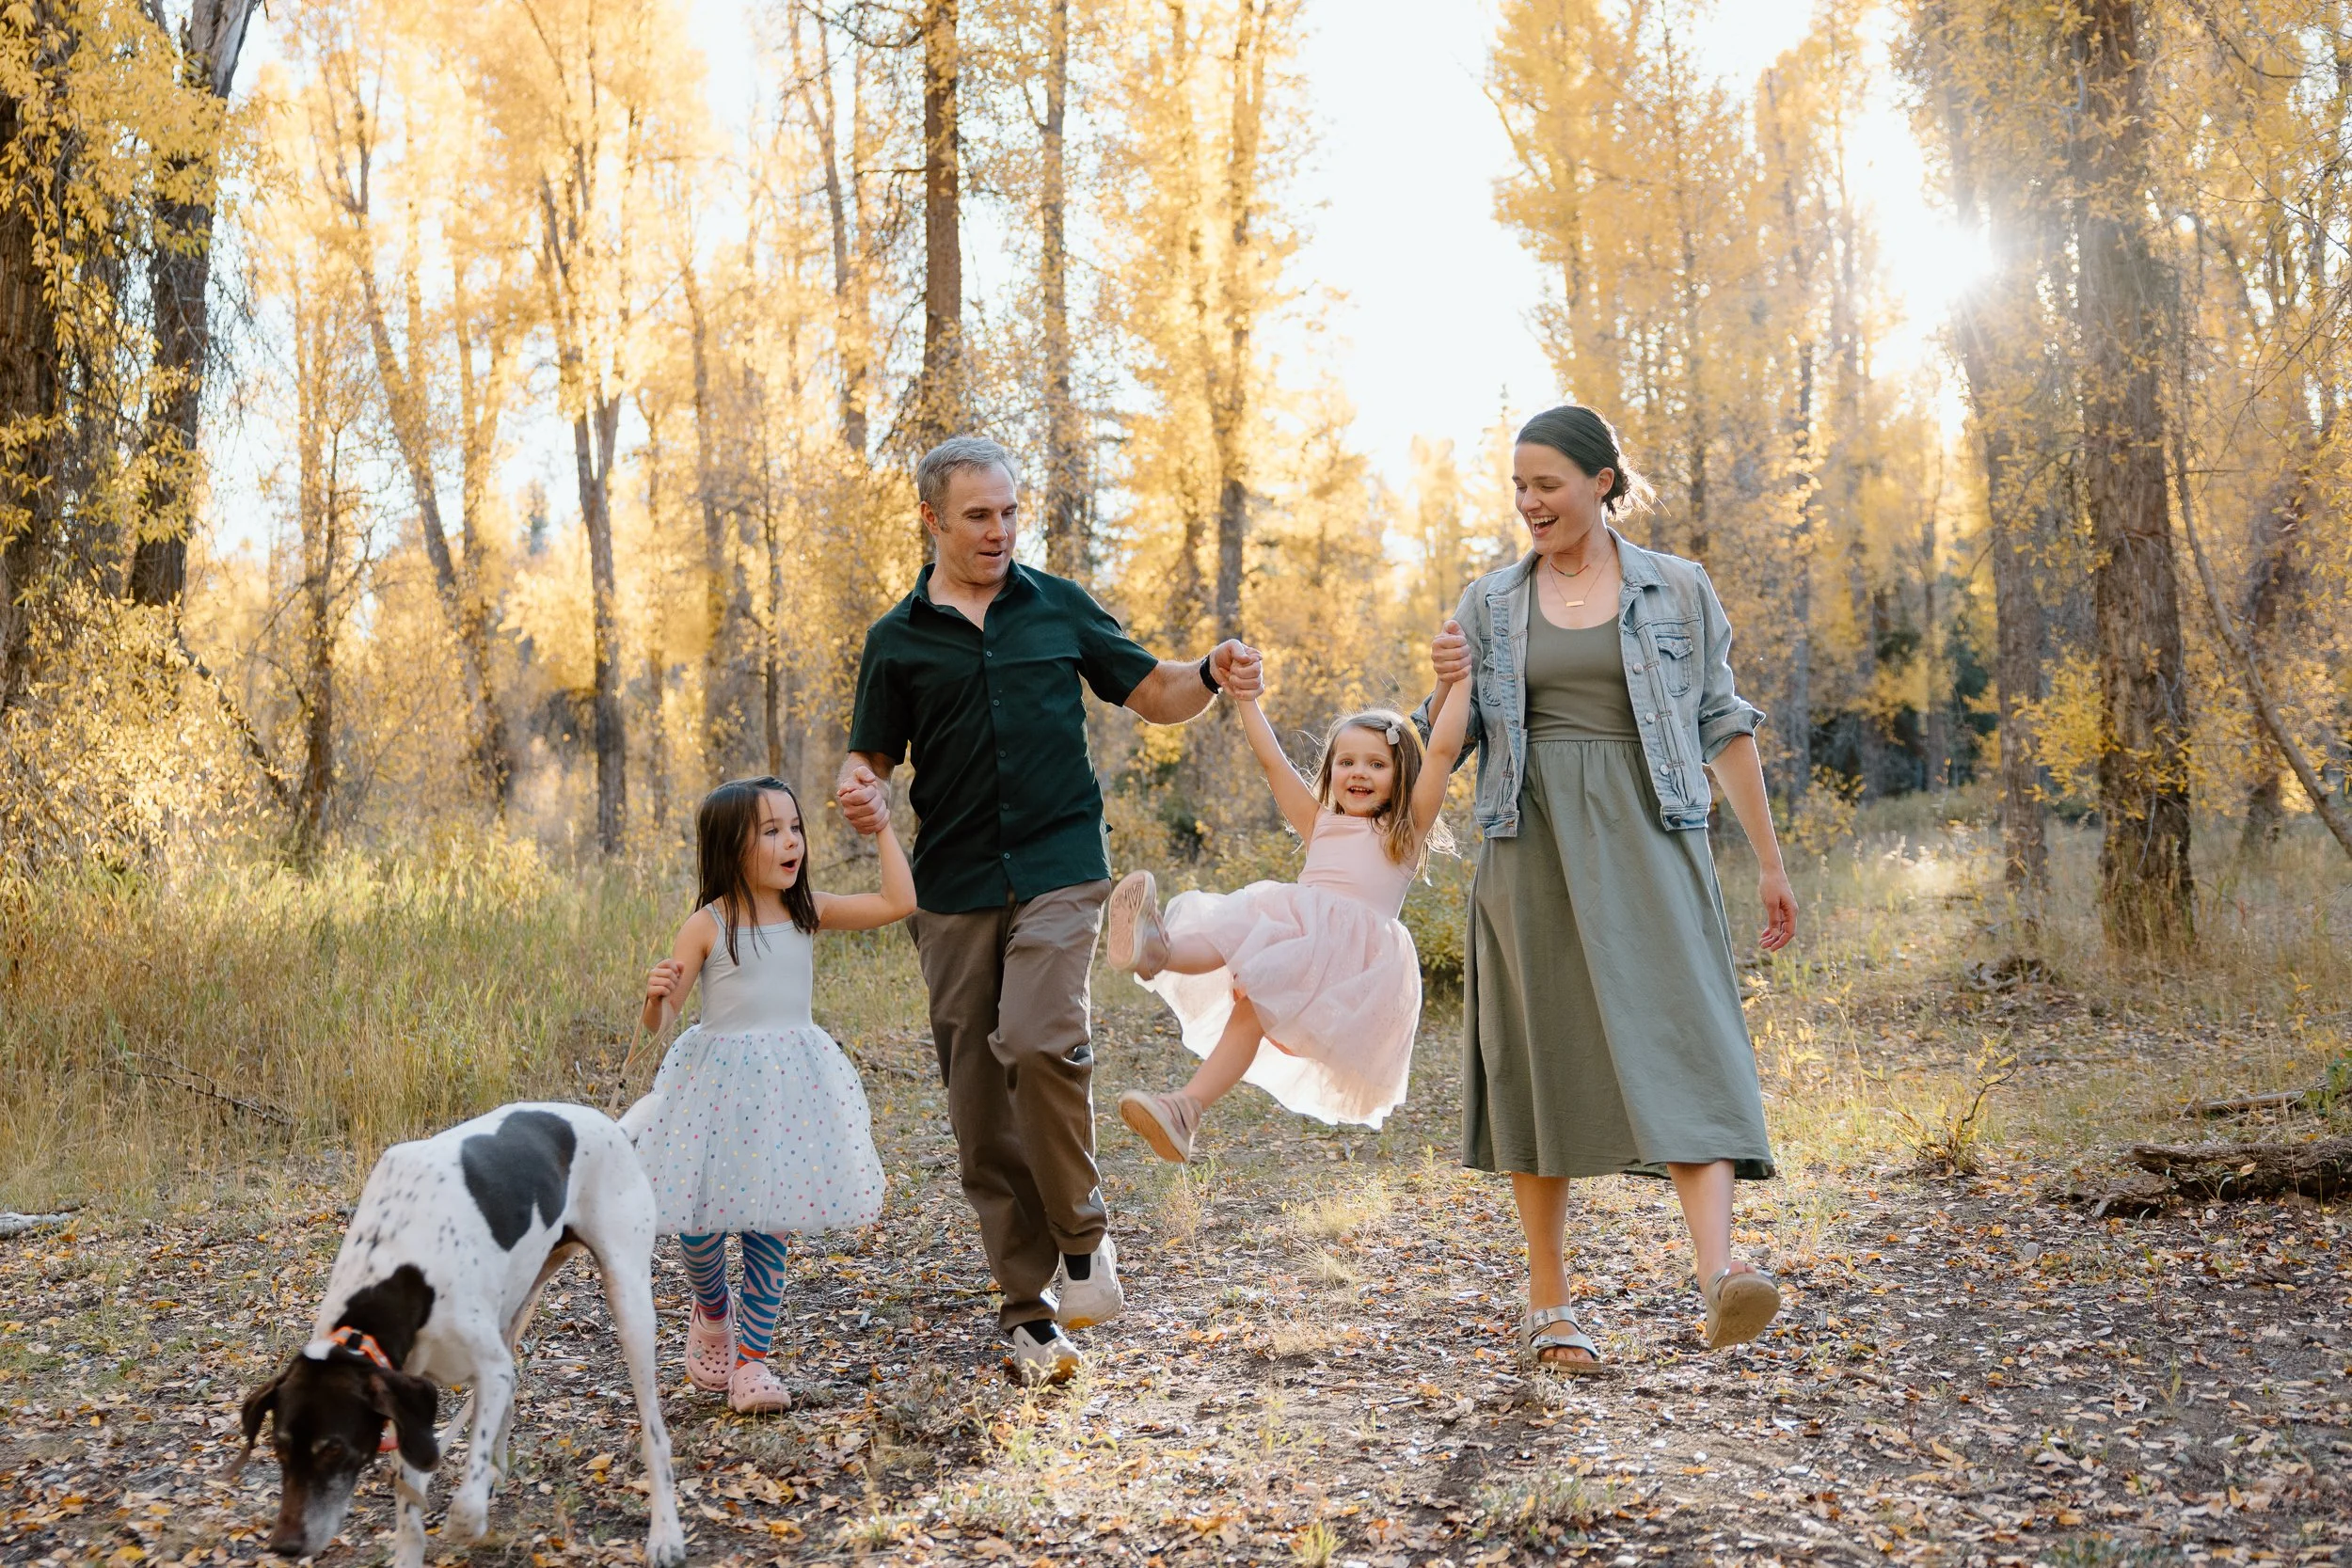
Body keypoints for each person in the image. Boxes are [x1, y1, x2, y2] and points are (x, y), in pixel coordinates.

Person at [835, 435, 1262, 1384]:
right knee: (980, 1109)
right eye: (978, 514)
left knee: (1035, 1036)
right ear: (932, 519)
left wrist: (1211, 667)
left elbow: (1152, 690)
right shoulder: (895, 638)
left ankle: (1083, 1239)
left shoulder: (1055, 604)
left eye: (1009, 511)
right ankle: (1028, 1310)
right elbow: (869, 757)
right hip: (950, 885)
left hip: (1061, 866)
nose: (999, 530)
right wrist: (856, 787)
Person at [1422, 404, 1797, 1374]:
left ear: (1600, 480)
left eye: (1546, 482)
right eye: (1518, 485)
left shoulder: (1677, 587)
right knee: (1537, 1057)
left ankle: (1721, 1276)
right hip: (1529, 839)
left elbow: (1722, 720)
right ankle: (1549, 1301)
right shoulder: (1488, 602)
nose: (1529, 502)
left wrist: (1768, 858)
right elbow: (1446, 739)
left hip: (1649, 828)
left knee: (1686, 1030)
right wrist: (1441, 696)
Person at [627, 775, 913, 1413]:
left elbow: (899, 899)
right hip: (715, 1089)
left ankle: (752, 1363)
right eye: (772, 830)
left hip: (789, 1091)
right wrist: (654, 996)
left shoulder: (806, 911)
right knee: (700, 1224)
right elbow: (663, 1018)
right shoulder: (706, 924)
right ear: (732, 848)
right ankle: (713, 1308)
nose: (792, 841)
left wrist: (883, 828)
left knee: (768, 1231)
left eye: (795, 827)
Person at [1104, 672, 1471, 1159]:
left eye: (1376, 764)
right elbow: (1274, 763)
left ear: (1400, 776)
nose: (1358, 772)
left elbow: (1443, 753)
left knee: (1251, 999)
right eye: (1346, 762)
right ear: (1331, 769)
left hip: (1343, 971)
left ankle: (1184, 1100)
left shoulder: (1403, 835)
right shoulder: (1321, 822)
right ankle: (1160, 961)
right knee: (1236, 941)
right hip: (1296, 937)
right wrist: (1247, 699)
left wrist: (1460, 678)